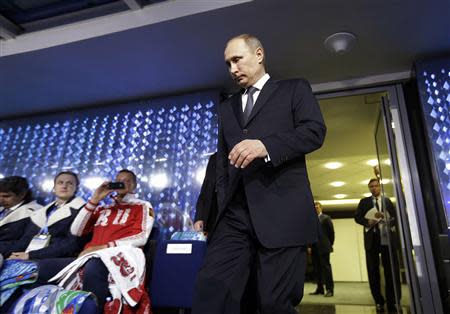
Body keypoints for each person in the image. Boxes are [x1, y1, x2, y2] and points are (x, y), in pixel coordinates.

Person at [192, 34, 326, 314]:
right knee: (211, 291)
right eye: (228, 63)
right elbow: (221, 165)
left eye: (237, 59)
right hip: (234, 215)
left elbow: (314, 132)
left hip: (282, 212)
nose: (232, 69)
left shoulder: (294, 89)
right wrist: (210, 213)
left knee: (272, 304)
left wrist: (266, 146)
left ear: (259, 54)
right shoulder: (227, 107)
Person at [44, 169, 154, 313]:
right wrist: (94, 199)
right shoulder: (103, 208)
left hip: (118, 255)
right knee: (41, 268)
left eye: (127, 181)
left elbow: (141, 237)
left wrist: (102, 247)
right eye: (119, 180)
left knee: (93, 267)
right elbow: (76, 231)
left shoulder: (142, 205)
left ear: (135, 185)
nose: (123, 183)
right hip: (88, 256)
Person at [5, 171, 85, 260]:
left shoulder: (82, 210)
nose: (64, 186)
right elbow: (25, 241)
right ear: (54, 187)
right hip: (31, 254)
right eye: (60, 182)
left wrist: (30, 255)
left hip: (56, 258)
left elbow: (71, 244)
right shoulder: (42, 212)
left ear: (76, 188)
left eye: (69, 183)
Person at [354, 178, 401, 313]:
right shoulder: (364, 202)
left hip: (387, 240)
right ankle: (379, 301)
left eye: (376, 186)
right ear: (369, 188)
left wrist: (388, 220)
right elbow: (357, 217)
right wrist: (367, 221)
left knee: (390, 272)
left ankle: (392, 300)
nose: (374, 188)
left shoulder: (387, 201)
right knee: (373, 273)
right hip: (372, 241)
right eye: (371, 187)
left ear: (380, 187)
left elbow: (395, 218)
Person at [0, 176, 42, 256]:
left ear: (22, 195)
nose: (0, 200)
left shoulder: (36, 213)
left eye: (6, 196)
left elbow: (25, 243)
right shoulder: (3, 208)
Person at [309, 201, 334, 297]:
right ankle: (320, 289)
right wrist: (309, 246)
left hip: (324, 247)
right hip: (314, 248)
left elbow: (331, 233)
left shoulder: (326, 218)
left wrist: (329, 244)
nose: (315, 208)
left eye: (317, 206)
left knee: (326, 269)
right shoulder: (311, 219)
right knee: (317, 269)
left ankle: (330, 290)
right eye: (314, 206)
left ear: (321, 208)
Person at [193, 152, 218, 234]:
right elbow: (205, 190)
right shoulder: (214, 158)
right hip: (212, 220)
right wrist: (199, 217)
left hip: (235, 220)